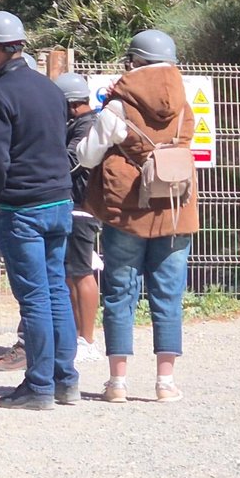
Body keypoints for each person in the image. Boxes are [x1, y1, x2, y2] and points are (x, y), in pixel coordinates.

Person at [78, 30, 198, 404]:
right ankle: (165, 383)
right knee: (168, 295)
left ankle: (118, 382)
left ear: (134, 62)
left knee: (120, 294)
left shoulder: (119, 107)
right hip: (177, 210)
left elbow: (86, 156)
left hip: (126, 212)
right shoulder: (184, 104)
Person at [0, 11, 79, 411]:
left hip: (23, 207)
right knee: (56, 293)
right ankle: (66, 381)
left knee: (33, 299)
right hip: (59, 201)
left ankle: (39, 386)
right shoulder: (51, 90)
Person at [56, 72, 103, 363]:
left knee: (81, 271)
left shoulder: (86, 126)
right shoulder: (80, 123)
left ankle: (87, 339)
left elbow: (72, 162)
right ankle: (78, 336)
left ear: (72, 105)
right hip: (76, 205)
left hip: (81, 207)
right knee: (72, 273)